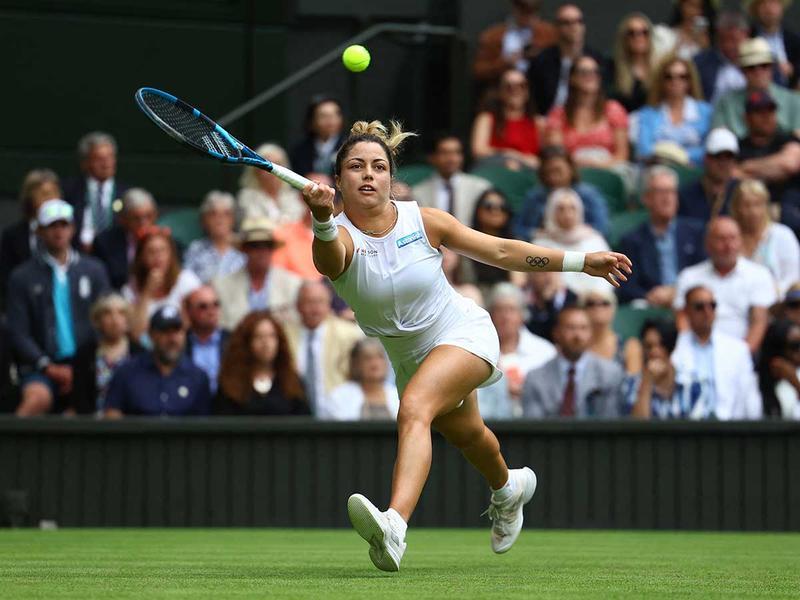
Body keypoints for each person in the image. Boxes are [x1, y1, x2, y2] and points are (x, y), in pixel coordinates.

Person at [300, 118, 631, 571]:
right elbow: (329, 262)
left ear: (391, 178)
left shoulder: (425, 220)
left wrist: (579, 262)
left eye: (378, 166)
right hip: (409, 356)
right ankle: (508, 487)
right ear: (338, 181)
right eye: (356, 167)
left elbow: (500, 251)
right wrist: (320, 218)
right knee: (470, 436)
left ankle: (394, 525)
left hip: (463, 333)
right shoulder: (337, 234)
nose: (369, 174)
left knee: (414, 410)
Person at [7, 199, 111, 416]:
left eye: (64, 225)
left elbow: (105, 321)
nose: (59, 231)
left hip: (89, 365)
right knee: (37, 398)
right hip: (40, 367)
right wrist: (47, 366)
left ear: (72, 228)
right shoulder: (21, 277)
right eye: (52, 226)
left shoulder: (94, 270)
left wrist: (81, 368)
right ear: (39, 231)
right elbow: (18, 332)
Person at [674, 216, 776, 353]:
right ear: (707, 244)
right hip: (697, 352)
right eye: (721, 239)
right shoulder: (689, 276)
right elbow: (683, 321)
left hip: (742, 354)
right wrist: (693, 354)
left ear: (741, 241)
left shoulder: (760, 275)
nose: (728, 245)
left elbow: (759, 322)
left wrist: (740, 357)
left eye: (733, 238)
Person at [670, 286, 762, 419]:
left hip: (728, 430)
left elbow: (750, 400)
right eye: (699, 307)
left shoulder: (738, 350)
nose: (707, 312)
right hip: (685, 429)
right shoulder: (673, 347)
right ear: (686, 311)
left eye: (712, 305)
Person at [619, 166, 706, 306]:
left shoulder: (696, 233)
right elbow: (627, 286)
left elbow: (705, 272)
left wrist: (676, 291)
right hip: (650, 308)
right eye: (660, 192)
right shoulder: (632, 240)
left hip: (692, 303)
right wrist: (648, 295)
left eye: (671, 192)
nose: (667, 198)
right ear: (646, 198)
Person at [104, 304, 211, 417]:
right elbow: (112, 416)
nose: (172, 339)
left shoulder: (198, 377)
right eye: (165, 332)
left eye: (177, 331)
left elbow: (204, 425)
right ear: (151, 335)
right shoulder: (126, 373)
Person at [521, 306, 625, 418]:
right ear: (556, 333)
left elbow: (611, 424)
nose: (577, 335)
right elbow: (533, 427)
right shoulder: (535, 378)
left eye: (583, 328)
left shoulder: (610, 374)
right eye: (570, 328)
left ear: (591, 333)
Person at [283, 280, 364, 414]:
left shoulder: (350, 335)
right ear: (298, 306)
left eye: (320, 302)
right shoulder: (284, 335)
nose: (315, 308)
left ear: (329, 305)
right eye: (309, 302)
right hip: (294, 414)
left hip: (339, 413)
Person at [212, 217, 303, 330]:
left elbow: (295, 326)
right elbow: (223, 326)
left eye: (267, 246)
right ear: (244, 249)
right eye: (254, 246)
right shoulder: (223, 286)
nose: (261, 252)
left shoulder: (293, 284)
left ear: (272, 249)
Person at [214, 311, 310, 416]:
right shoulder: (230, 383)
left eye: (272, 336)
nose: (266, 343)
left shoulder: (292, 381)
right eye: (258, 337)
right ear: (246, 343)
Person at [544, 55, 630, 169]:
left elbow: (622, 155)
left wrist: (600, 166)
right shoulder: (558, 114)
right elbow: (556, 154)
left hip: (608, 169)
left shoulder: (614, 109)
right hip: (573, 171)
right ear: (572, 78)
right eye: (583, 72)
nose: (590, 76)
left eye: (595, 72)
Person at [485, 282, 556, 417]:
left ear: (522, 315)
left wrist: (527, 390)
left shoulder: (545, 351)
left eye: (511, 310)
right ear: (491, 315)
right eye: (499, 310)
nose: (505, 317)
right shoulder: (480, 351)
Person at [526, 4, 608, 116]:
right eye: (566, 23)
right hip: (547, 122)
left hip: (588, 123)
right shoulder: (542, 62)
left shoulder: (596, 60)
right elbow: (532, 100)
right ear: (556, 27)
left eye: (578, 21)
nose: (573, 26)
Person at [70, 293, 145, 415]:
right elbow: (79, 397)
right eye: (107, 313)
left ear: (127, 320)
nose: (114, 320)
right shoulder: (84, 354)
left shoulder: (140, 353)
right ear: (98, 320)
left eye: (121, 313)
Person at [123, 226, 202, 341]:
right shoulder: (130, 289)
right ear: (141, 257)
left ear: (171, 254)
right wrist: (147, 293)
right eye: (151, 251)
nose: (158, 256)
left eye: (163, 250)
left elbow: (198, 323)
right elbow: (136, 333)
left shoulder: (187, 280)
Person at [513, 145, 609, 239]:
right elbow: (519, 229)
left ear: (571, 168)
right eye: (547, 172)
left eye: (558, 171)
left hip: (582, 247)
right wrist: (539, 234)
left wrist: (574, 234)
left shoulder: (588, 194)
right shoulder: (535, 196)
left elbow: (602, 229)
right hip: (545, 247)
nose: (553, 177)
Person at [712, 37, 800, 138]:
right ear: (742, 71)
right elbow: (718, 143)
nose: (758, 72)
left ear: (772, 67)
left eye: (764, 65)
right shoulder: (726, 104)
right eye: (751, 67)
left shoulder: (794, 102)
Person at [634, 56, 713, 166]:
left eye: (682, 77)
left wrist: (681, 156)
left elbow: (709, 148)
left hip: (694, 172)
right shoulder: (647, 114)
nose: (675, 81)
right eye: (669, 77)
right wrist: (672, 158)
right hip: (657, 172)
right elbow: (644, 150)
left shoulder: (706, 112)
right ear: (661, 81)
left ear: (690, 81)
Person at [532, 188, 611, 295]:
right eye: (561, 209)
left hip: (593, 302)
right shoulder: (540, 243)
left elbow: (606, 278)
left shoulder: (594, 240)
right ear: (550, 211)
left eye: (572, 208)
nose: (567, 214)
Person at [62, 131, 130, 252]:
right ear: (85, 163)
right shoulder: (69, 191)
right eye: (99, 159)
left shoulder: (126, 194)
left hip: (114, 255)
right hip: (77, 253)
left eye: (110, 157)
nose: (106, 164)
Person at [0, 168, 61, 302]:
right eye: (44, 194)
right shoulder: (13, 236)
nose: (50, 200)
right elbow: (6, 279)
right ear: (30, 198)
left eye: (54, 193)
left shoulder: (69, 232)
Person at [730, 178, 800, 296]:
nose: (753, 211)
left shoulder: (782, 235)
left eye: (758, 204)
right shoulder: (729, 236)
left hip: (776, 302)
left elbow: (792, 278)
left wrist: (766, 294)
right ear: (736, 208)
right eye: (746, 205)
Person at [735, 90, 800, 213]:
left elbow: (789, 164)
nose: (766, 116)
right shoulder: (738, 146)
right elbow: (732, 176)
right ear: (746, 118)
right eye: (759, 111)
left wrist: (745, 167)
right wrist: (774, 171)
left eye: (770, 110)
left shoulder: (787, 138)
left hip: (787, 205)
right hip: (749, 208)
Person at [412, 133, 492, 225]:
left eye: (456, 152)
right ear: (432, 157)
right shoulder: (418, 192)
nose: (451, 158)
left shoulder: (480, 187)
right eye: (444, 153)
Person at [472, 0, 556, 86]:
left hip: (539, 91)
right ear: (515, 8)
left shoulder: (549, 34)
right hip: (503, 91)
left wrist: (540, 57)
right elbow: (479, 71)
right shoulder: (493, 36)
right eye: (523, 10)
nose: (528, 16)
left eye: (533, 10)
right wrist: (506, 63)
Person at [470, 68, 541, 171]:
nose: (515, 90)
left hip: (528, 175)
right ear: (500, 91)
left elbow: (542, 159)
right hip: (494, 171)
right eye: (509, 87)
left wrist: (517, 159)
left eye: (521, 86)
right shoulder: (486, 118)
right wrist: (510, 155)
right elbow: (479, 151)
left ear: (527, 91)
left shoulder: (538, 122)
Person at [92, 187, 158, 290]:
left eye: (148, 216)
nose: (143, 223)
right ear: (123, 219)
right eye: (137, 218)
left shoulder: (166, 242)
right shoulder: (105, 243)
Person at [320, 338, 400, 420]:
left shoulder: (398, 396)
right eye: (368, 358)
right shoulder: (338, 397)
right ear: (356, 364)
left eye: (379, 357)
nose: (375, 364)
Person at [627, 318, 687, 418]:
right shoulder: (632, 383)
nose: (655, 351)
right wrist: (647, 382)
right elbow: (637, 428)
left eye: (662, 345)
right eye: (649, 346)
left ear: (672, 346)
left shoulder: (690, 383)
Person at [678, 127, 741, 222]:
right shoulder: (686, 195)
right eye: (717, 157)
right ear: (706, 158)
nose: (723, 163)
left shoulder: (741, 193)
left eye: (728, 157)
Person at [183, 191, 246, 284]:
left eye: (226, 214)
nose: (219, 219)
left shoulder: (246, 248)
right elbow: (187, 284)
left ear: (233, 219)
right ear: (204, 220)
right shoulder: (195, 249)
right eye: (213, 214)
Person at [462, 189, 519, 292]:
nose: (495, 211)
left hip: (505, 300)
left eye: (502, 207)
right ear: (478, 210)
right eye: (488, 206)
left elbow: (518, 285)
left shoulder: (515, 243)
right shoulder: (465, 241)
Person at [237, 143, 306, 223]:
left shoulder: (293, 197)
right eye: (267, 167)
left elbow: (300, 226)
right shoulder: (246, 197)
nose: (273, 172)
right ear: (256, 170)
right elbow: (254, 227)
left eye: (278, 165)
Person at [693, 11, 751, 104]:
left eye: (733, 39)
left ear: (746, 35)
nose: (728, 46)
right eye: (723, 39)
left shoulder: (762, 61)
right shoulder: (700, 63)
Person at [183, 285, 229, 396]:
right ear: (189, 311)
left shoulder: (233, 340)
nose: (211, 311)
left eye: (216, 305)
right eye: (203, 306)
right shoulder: (180, 342)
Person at [611, 13, 658, 113]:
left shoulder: (660, 70)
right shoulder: (613, 69)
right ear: (624, 38)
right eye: (632, 33)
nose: (639, 37)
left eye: (644, 32)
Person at [747, 0, 800, 88]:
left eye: (773, 3)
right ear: (756, 10)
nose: (769, 9)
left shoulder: (794, 40)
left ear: (781, 8)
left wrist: (792, 70)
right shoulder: (748, 37)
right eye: (763, 4)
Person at [290, 96, 346, 176]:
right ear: (312, 121)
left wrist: (330, 182)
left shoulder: (348, 146)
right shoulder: (300, 150)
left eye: (335, 115)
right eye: (323, 116)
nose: (330, 120)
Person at [522, 270, 577, 341]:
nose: (548, 277)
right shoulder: (522, 297)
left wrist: (549, 303)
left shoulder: (572, 299)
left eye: (552, 271)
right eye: (543, 272)